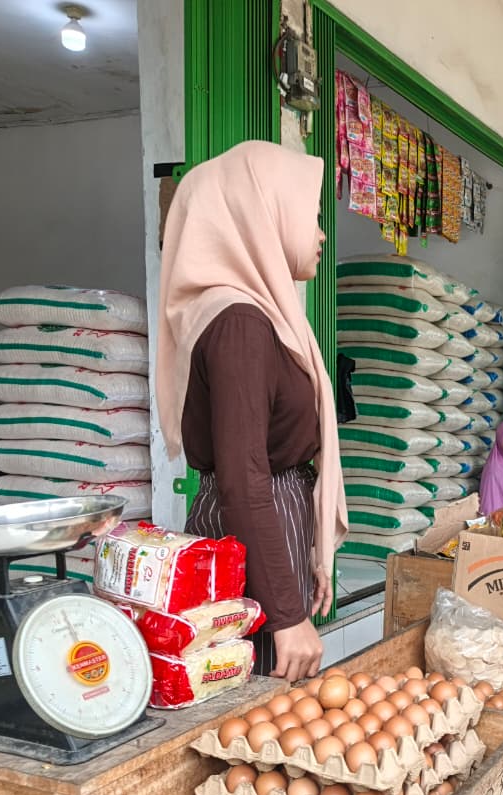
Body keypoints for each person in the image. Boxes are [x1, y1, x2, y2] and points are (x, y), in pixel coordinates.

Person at [156, 141, 348, 683]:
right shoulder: (239, 321)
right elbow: (243, 478)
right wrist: (285, 614)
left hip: (265, 521)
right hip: (256, 522)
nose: (320, 235)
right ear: (263, 216)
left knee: (263, 696)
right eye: (310, 216)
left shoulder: (259, 313)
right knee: (257, 695)